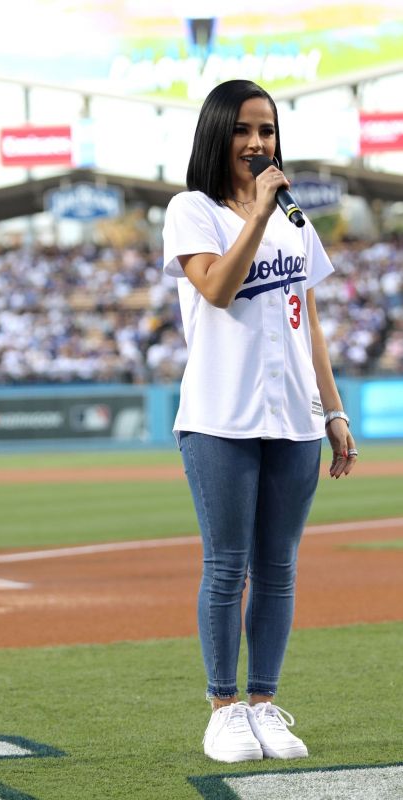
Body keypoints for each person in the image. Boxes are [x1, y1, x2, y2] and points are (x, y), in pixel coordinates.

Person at [162, 79, 357, 763]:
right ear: (219, 134)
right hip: (220, 416)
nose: (256, 142)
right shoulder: (191, 209)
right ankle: (222, 710)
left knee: (277, 569)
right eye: (244, 129)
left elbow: (309, 322)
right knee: (227, 567)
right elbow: (215, 288)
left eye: (266, 130)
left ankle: (264, 705)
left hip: (294, 421)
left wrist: (331, 409)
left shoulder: (295, 220)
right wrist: (256, 214)